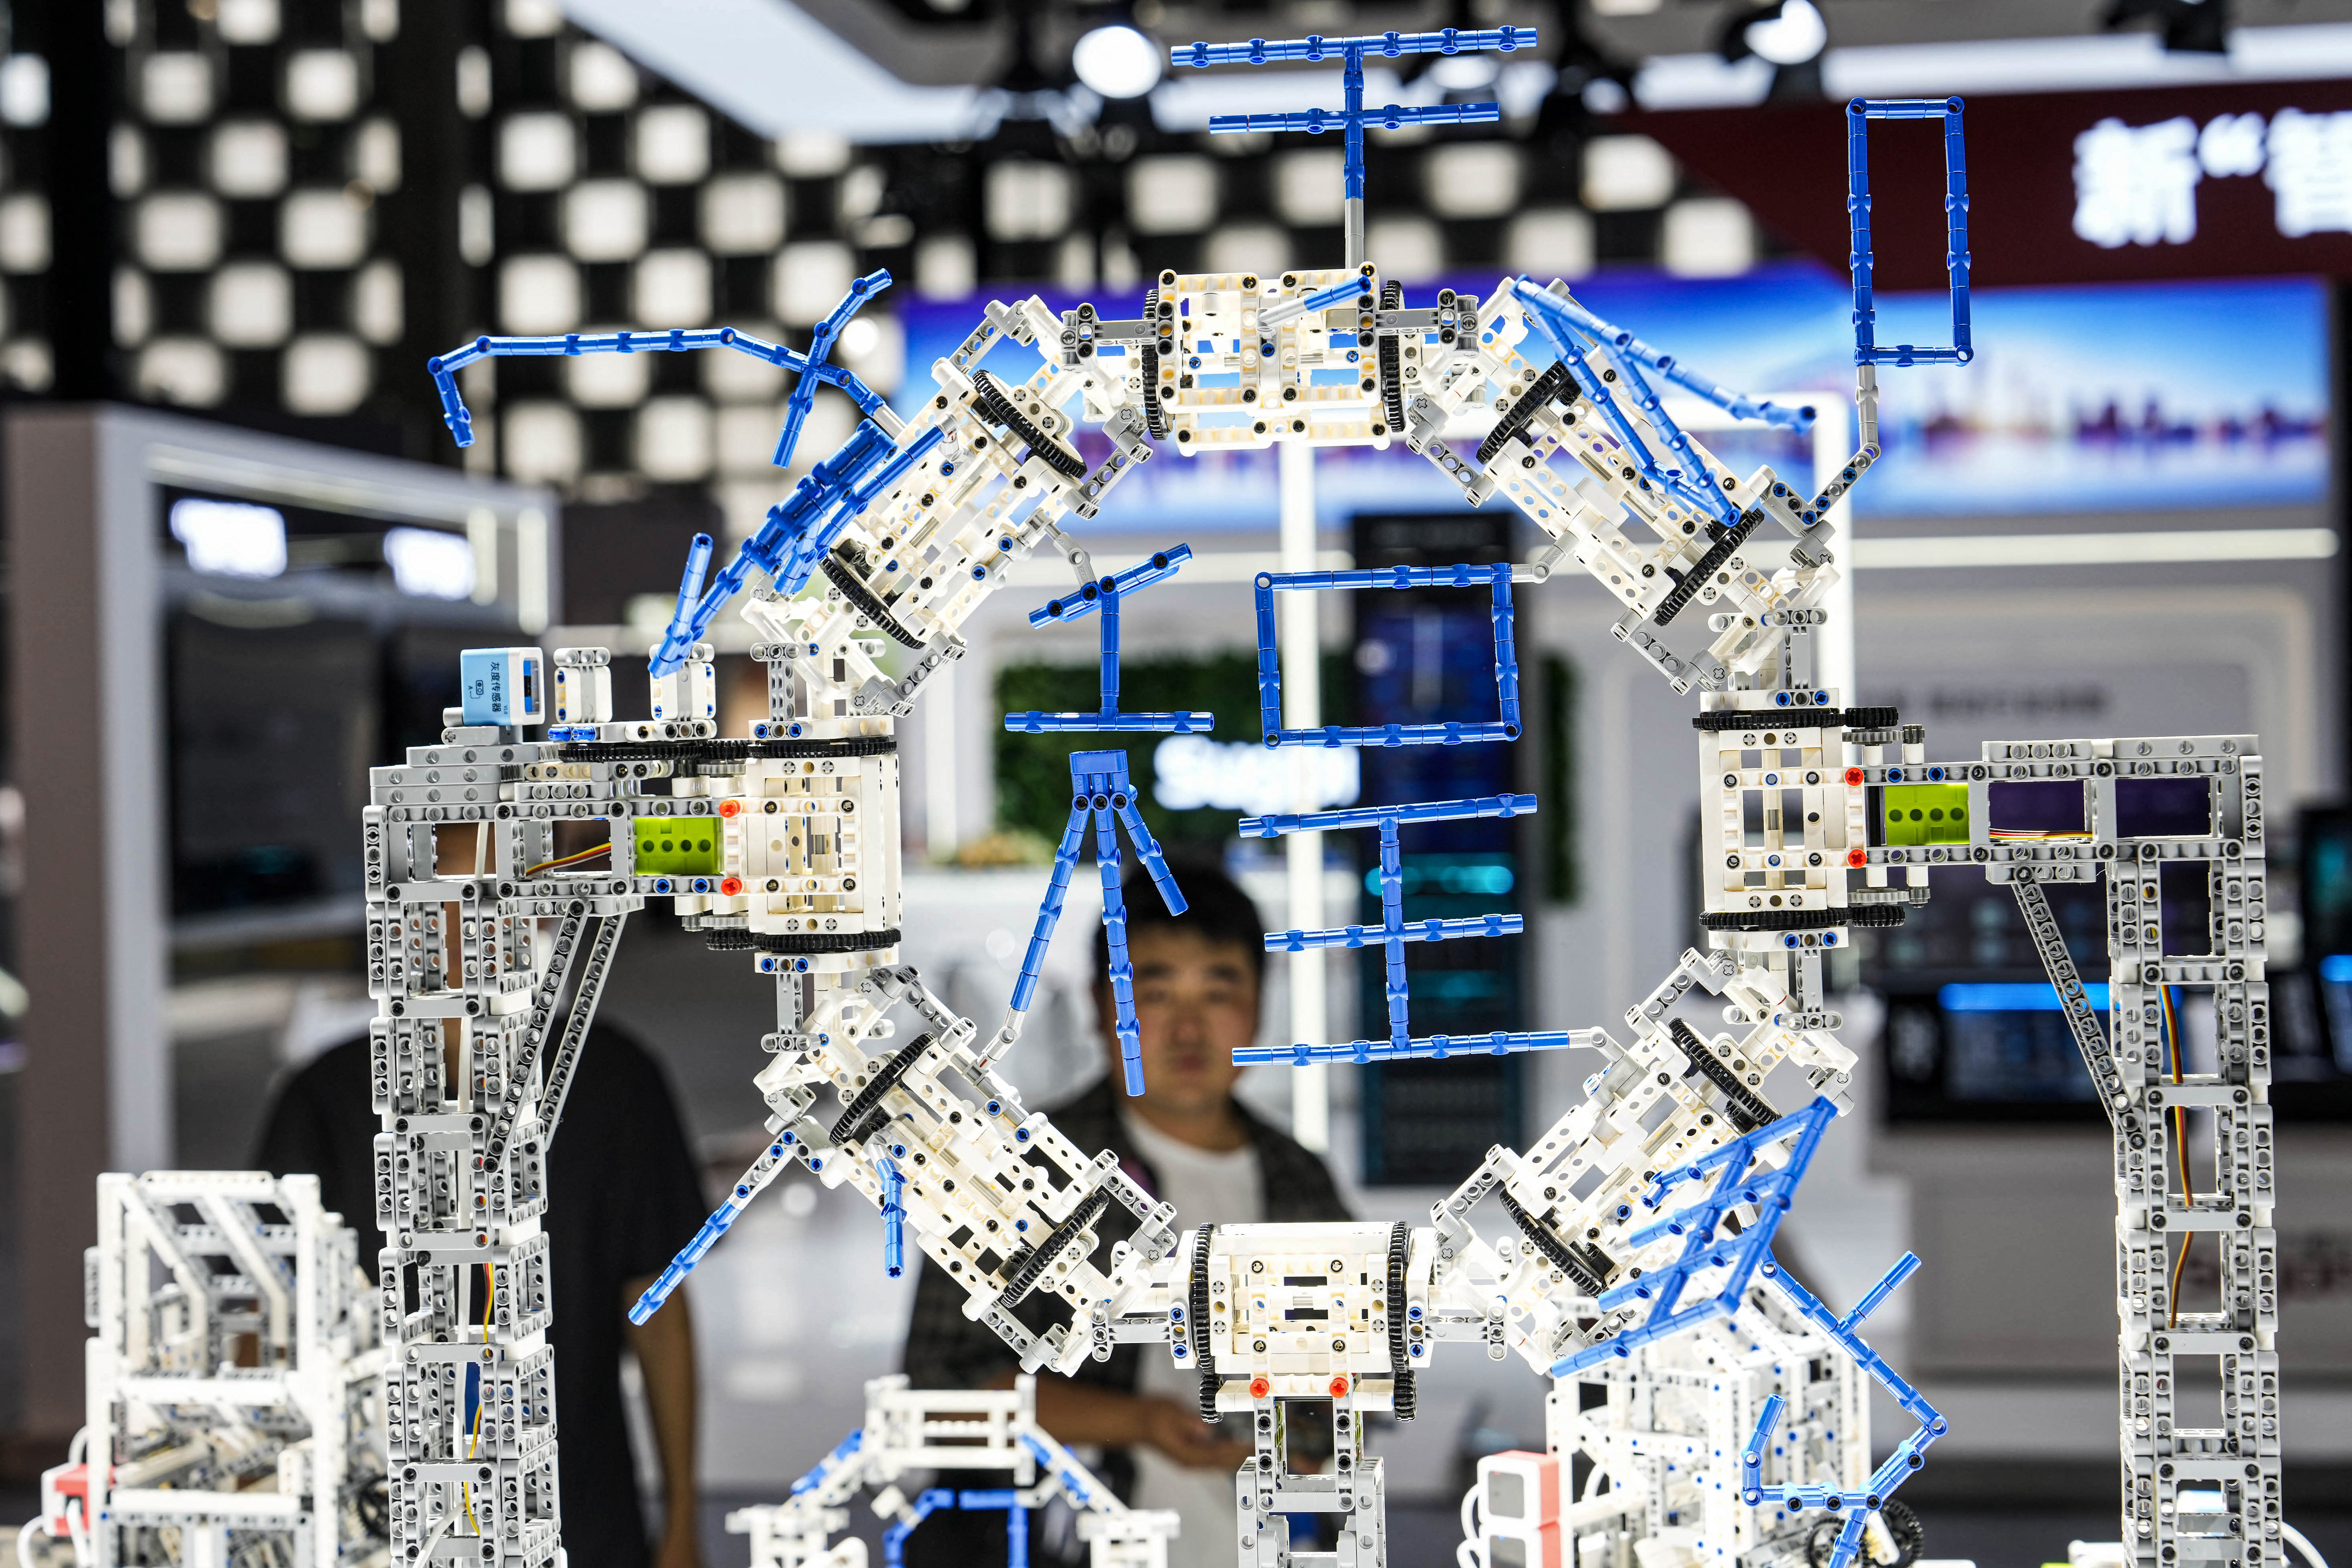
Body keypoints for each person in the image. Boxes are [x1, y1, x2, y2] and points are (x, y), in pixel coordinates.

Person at [902, 858, 1351, 1568]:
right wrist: (1136, 1423)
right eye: (1155, 991)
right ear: (1100, 1005)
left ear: (1260, 1005)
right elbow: (934, 1388)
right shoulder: (1022, 1167)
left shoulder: (1300, 1181)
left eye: (1219, 990)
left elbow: (1347, 1380)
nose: (1188, 1029)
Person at [254, 1018, 708, 1568]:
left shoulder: (612, 1076)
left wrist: (683, 1518)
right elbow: (272, 1313)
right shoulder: (327, 1096)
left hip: (581, 1509)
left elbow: (658, 1304)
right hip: (382, 1520)